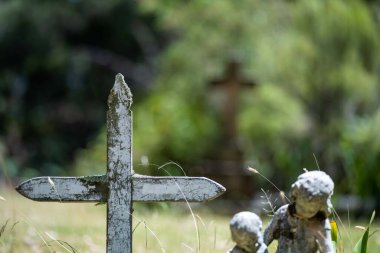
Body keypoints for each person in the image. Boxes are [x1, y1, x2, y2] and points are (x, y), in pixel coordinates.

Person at [264, 170, 335, 253]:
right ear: (295, 197)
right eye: (301, 207)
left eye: (311, 210)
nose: (303, 212)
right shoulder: (282, 214)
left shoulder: (320, 224)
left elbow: (327, 250)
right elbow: (264, 240)